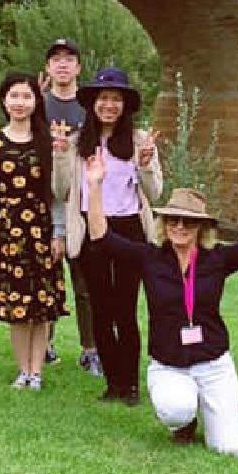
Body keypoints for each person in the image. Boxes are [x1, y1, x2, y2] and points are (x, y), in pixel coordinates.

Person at [83, 153, 238, 455]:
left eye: (189, 221)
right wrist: (95, 186)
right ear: (164, 224)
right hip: (169, 365)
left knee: (230, 449)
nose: (180, 226)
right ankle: (185, 420)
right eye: (173, 220)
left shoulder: (216, 259)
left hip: (213, 363)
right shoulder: (150, 258)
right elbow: (102, 237)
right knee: (175, 408)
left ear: (201, 227)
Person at [56, 66, 163, 404]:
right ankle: (113, 382)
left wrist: (146, 163)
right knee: (100, 308)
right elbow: (60, 190)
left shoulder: (138, 142)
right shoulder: (76, 144)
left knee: (125, 310)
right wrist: (59, 156)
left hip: (129, 227)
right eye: (103, 98)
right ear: (92, 104)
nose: (109, 105)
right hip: (91, 227)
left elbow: (155, 192)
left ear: (125, 105)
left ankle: (130, 383)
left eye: (116, 99)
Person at [0, 71, 67, 388]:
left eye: (26, 96)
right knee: (16, 307)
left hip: (41, 233)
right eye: (14, 95)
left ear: (36, 101)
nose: (20, 102)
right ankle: (23, 371)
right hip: (8, 233)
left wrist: (59, 232)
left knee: (41, 308)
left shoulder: (47, 142)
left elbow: (56, 192)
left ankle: (38, 371)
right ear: (4, 100)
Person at [41, 38, 102, 376]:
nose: (62, 65)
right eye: (56, 60)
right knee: (47, 278)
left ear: (78, 67)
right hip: (44, 203)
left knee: (85, 283)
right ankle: (45, 344)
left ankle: (90, 349)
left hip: (79, 203)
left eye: (69, 59)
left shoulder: (87, 107)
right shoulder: (39, 104)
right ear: (49, 67)